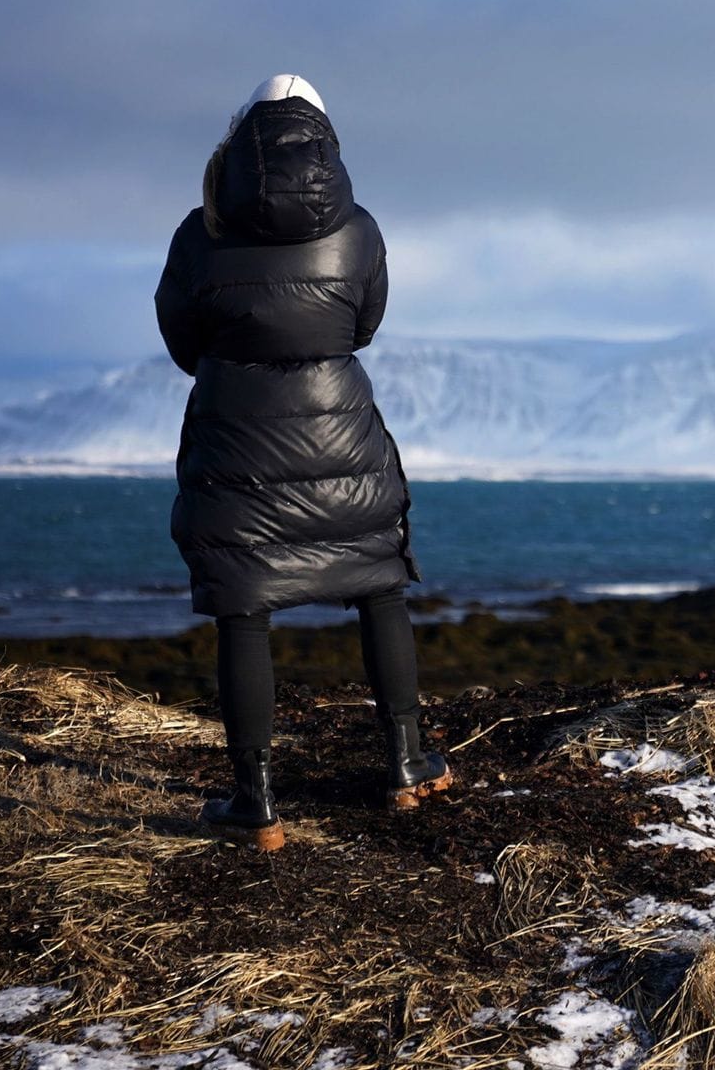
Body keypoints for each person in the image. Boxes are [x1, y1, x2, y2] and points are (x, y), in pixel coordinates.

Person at [155, 74, 451, 851]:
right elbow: (364, 326)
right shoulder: (358, 232)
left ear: (240, 140)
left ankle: (255, 805)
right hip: (341, 435)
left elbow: (181, 338)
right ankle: (408, 763)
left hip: (235, 442)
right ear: (325, 141)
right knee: (379, 585)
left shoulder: (201, 233)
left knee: (243, 606)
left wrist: (237, 362)